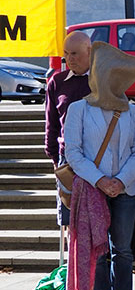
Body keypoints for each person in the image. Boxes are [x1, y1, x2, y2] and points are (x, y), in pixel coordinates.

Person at [62, 42, 135, 290]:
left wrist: (121, 180)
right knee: (99, 250)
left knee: (123, 250)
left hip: (127, 189)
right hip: (92, 189)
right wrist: (100, 180)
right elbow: (73, 152)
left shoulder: (131, 111)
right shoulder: (79, 110)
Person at [45, 31, 92, 226]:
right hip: (67, 158)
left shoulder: (102, 79)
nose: (69, 59)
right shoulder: (57, 81)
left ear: (89, 51)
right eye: (66, 53)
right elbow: (51, 124)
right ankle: (73, 257)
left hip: (98, 157)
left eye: (75, 53)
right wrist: (55, 158)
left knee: (97, 220)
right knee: (70, 220)